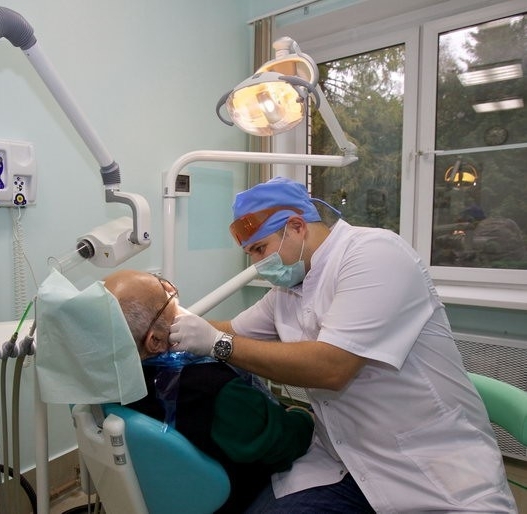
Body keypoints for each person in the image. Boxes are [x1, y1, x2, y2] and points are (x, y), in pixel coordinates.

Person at [168, 177, 516, 513]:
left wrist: (216, 344)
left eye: (260, 249)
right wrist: (164, 317)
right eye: (251, 253)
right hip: (342, 463)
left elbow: (330, 367)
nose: (258, 264)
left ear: (296, 226)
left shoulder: (374, 254)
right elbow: (231, 330)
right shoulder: (288, 289)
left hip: (433, 467)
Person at [103, 269, 314, 514]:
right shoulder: (216, 389)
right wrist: (303, 418)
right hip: (233, 500)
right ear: (155, 340)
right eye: (166, 296)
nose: (173, 294)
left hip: (161, 497)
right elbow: (283, 445)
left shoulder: (106, 385)